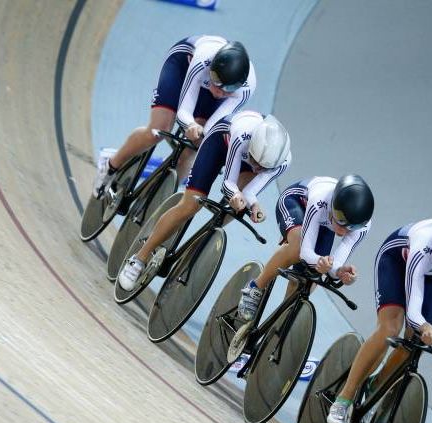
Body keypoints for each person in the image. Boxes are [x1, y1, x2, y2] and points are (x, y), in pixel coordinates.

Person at [117, 110, 291, 291]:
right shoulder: (243, 134)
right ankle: (139, 258)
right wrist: (236, 194)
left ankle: (202, 239)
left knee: (237, 208)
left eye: (263, 168)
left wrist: (253, 204)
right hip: (220, 145)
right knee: (190, 206)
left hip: (246, 160)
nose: (257, 169)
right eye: (256, 162)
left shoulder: (282, 162)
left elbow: (250, 191)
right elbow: (228, 184)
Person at [327, 217, 432, 423]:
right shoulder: (424, 245)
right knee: (390, 327)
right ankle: (344, 399)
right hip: (397, 261)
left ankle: (375, 388)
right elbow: (413, 314)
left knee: (417, 345)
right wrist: (424, 326)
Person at [93, 35, 256, 198]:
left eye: (227, 89)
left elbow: (213, 126)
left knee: (194, 147)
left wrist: (202, 134)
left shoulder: (244, 89)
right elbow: (184, 110)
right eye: (216, 82)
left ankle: (155, 199)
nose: (218, 91)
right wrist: (190, 125)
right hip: (182, 66)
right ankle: (110, 166)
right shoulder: (203, 58)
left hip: (211, 92)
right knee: (159, 128)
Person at [237, 175, 375, 321]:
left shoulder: (362, 227)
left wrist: (340, 272)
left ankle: (279, 324)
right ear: (334, 208)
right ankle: (255, 287)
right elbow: (306, 252)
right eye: (340, 223)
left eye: (350, 228)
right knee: (297, 247)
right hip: (296, 202)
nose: (342, 232)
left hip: (324, 223)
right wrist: (320, 262)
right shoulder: (320, 199)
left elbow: (333, 268)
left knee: (307, 281)